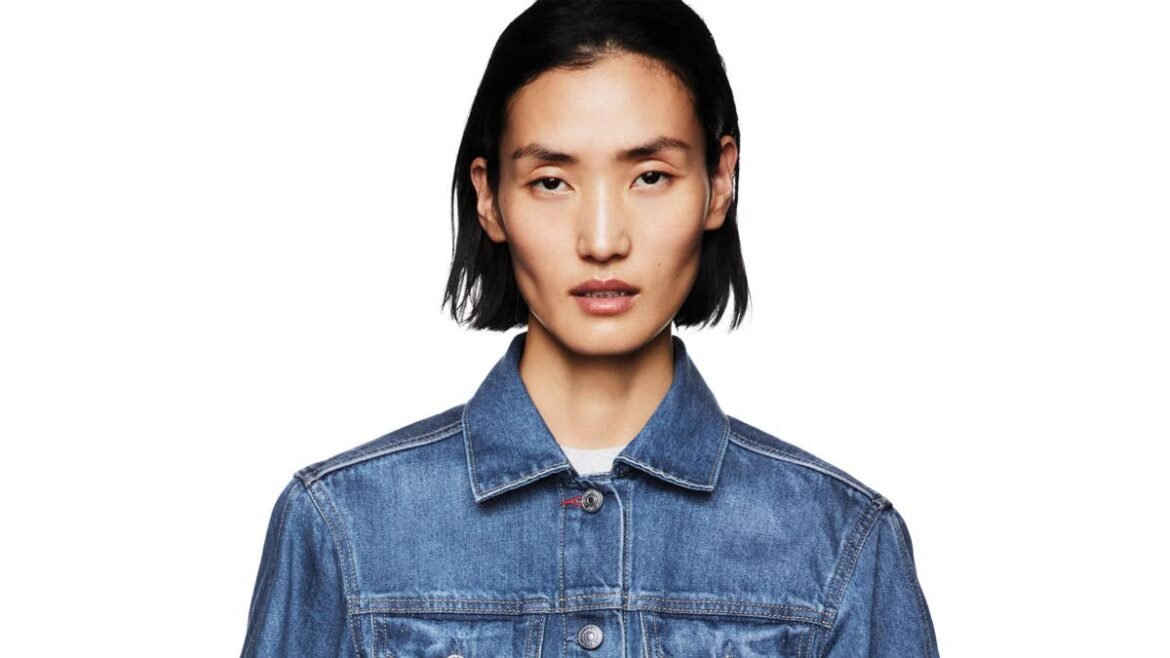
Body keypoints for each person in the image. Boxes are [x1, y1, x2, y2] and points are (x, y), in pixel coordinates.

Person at [240, 1, 939, 656]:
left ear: (720, 181)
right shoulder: (342, 527)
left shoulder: (841, 545)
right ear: (489, 198)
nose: (602, 240)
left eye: (650, 176)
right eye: (552, 181)